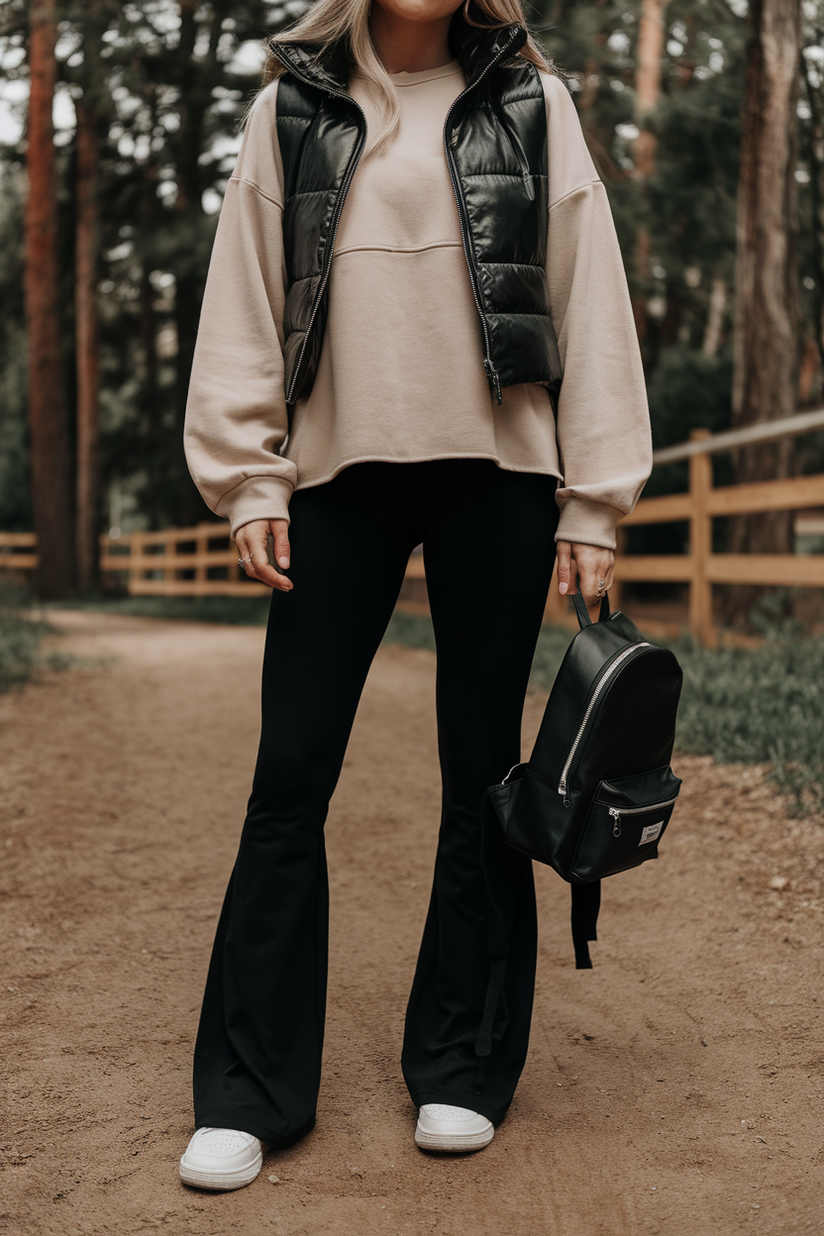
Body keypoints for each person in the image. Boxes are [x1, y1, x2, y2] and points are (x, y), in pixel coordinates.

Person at [178, 0, 651, 1191]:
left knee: (481, 772)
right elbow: (242, 289)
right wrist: (247, 478)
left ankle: (458, 1064)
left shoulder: (532, 103)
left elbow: (588, 291)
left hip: (498, 472)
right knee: (290, 773)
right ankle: (247, 1090)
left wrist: (592, 497)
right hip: (337, 472)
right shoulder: (290, 105)